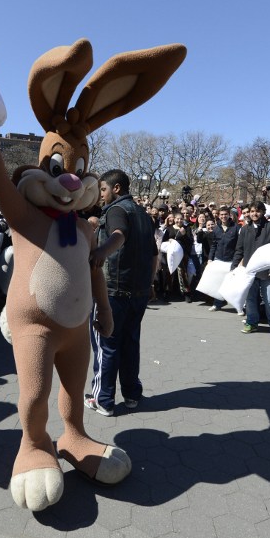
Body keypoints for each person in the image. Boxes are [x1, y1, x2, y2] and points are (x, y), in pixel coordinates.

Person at [85, 170, 158, 416]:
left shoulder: (116, 210)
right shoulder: (145, 215)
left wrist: (101, 251)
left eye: (103, 190)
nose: (101, 195)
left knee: (107, 345)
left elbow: (119, 234)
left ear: (116, 188)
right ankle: (131, 395)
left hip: (113, 292)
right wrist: (150, 284)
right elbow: (155, 255)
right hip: (138, 292)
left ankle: (103, 400)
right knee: (130, 344)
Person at [231, 201, 270, 336]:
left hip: (268, 270)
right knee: (250, 299)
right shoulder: (245, 229)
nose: (255, 214)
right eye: (252, 211)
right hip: (250, 270)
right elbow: (239, 249)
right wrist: (234, 266)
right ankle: (251, 322)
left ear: (263, 212)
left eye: (258, 211)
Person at [207, 205, 241, 311]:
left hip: (231, 260)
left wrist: (238, 260)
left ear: (229, 215)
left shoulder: (236, 228)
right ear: (219, 216)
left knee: (233, 284)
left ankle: (238, 306)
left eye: (225, 214)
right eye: (221, 214)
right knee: (218, 283)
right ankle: (217, 304)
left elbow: (239, 246)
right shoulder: (216, 228)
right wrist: (210, 258)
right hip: (218, 259)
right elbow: (214, 245)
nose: (223, 216)